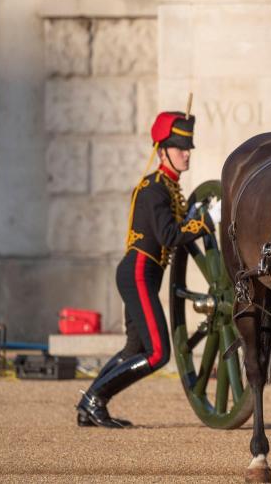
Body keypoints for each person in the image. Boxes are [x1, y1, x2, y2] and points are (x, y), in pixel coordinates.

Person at [76, 110, 218, 428]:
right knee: (157, 354)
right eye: (179, 146)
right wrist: (206, 222)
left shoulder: (166, 188)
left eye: (188, 147)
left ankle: (90, 407)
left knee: (134, 348)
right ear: (162, 150)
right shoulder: (154, 189)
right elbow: (169, 235)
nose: (186, 152)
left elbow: (174, 226)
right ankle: (94, 399)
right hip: (139, 271)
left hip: (145, 273)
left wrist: (194, 214)